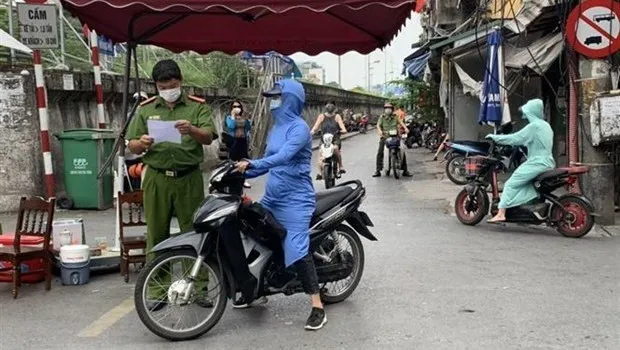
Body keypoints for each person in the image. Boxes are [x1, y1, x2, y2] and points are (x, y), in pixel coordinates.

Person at [235, 79, 327, 331]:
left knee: (296, 246)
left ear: (291, 100)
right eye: (271, 97)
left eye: (277, 97)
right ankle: (259, 289)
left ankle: (317, 305)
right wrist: (240, 172)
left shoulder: (298, 128)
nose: (273, 102)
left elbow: (284, 157)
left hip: (296, 199)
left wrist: (252, 166)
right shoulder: (276, 127)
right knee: (255, 234)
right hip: (274, 195)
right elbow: (268, 160)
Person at [126, 59, 214, 309]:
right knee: (157, 233)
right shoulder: (145, 109)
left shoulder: (197, 107)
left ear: (181, 82)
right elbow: (130, 144)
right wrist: (141, 143)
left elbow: (208, 137)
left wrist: (192, 130)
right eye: (162, 87)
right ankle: (157, 289)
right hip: (156, 177)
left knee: (194, 232)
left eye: (172, 85)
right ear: (156, 86)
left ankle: (198, 288)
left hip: (189, 178)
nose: (168, 91)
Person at [486, 98, 555, 223]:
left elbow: (515, 138)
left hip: (536, 163)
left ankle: (501, 213)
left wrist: (495, 138)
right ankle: (526, 208)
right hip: (548, 162)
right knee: (527, 184)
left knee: (510, 184)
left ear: (531, 112)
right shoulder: (546, 125)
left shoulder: (534, 126)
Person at [373, 102, 413, 177]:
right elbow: (378, 125)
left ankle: (405, 170)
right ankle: (378, 170)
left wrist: (405, 128)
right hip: (385, 137)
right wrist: (380, 131)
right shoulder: (382, 117)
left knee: (402, 150)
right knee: (380, 152)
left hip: (395, 136)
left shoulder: (395, 117)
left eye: (389, 108)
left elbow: (401, 122)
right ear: (384, 109)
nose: (388, 110)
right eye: (386, 108)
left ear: (392, 109)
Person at [311, 101, 348, 179]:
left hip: (335, 139)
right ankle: (320, 173)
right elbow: (316, 126)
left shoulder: (337, 116)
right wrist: (313, 131)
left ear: (334, 107)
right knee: (320, 152)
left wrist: (343, 130)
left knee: (335, 149)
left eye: (331, 105)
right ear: (325, 107)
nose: (330, 107)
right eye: (328, 105)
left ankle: (340, 166)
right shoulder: (321, 116)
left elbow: (342, 127)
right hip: (324, 140)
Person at [223, 100, 252, 188]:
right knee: (234, 160)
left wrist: (246, 119)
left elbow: (248, 127)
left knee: (243, 160)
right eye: (234, 106)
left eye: (238, 106)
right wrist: (233, 115)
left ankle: (243, 179)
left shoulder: (243, 117)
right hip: (233, 140)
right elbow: (231, 126)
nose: (237, 108)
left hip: (242, 140)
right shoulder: (229, 117)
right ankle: (233, 178)